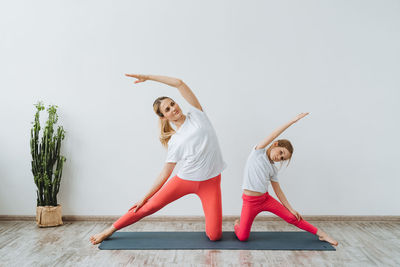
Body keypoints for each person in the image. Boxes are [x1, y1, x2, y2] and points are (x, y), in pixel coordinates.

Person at [90, 74, 226, 245]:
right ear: (163, 117)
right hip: (186, 179)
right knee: (149, 207)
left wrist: (148, 77)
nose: (173, 108)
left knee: (215, 236)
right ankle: (110, 229)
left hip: (211, 182)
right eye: (167, 110)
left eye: (172, 103)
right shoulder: (175, 140)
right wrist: (145, 197)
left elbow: (179, 83)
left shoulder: (197, 114)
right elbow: (166, 172)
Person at [234, 113, 338, 246]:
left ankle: (322, 234)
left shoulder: (272, 169)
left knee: (291, 217)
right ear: (275, 144)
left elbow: (278, 191)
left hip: (265, 199)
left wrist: (290, 209)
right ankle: (237, 224)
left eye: (283, 158)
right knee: (242, 237)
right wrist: (292, 121)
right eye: (281, 152)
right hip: (249, 202)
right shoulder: (258, 152)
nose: (280, 157)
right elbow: (273, 135)